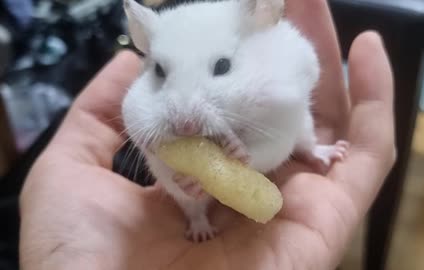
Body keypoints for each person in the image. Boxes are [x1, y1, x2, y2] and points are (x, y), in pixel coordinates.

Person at [18, 0, 396, 269]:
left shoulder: (275, 64)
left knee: (296, 123)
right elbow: (149, 139)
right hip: (190, 211)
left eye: (221, 67)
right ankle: (196, 215)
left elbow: (276, 141)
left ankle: (313, 149)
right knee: (175, 176)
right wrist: (180, 176)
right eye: (162, 73)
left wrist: (251, 156)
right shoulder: (149, 100)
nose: (187, 121)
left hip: (277, 135)